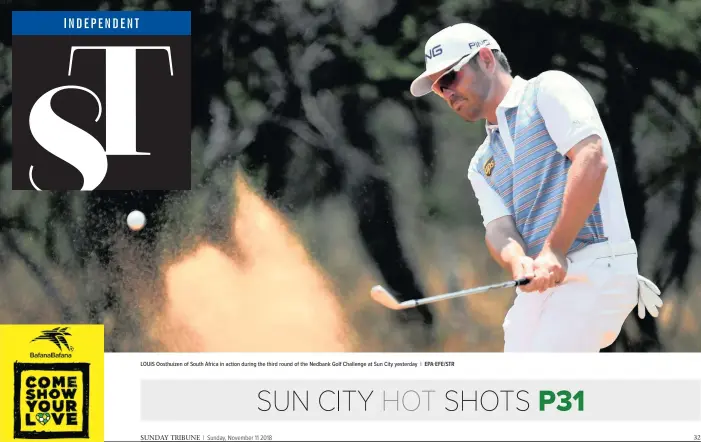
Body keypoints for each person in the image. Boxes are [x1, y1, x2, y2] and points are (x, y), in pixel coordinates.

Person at [408, 23, 664, 352]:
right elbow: (499, 229)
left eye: (449, 78)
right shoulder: (481, 162)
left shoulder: (549, 90)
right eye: (438, 88)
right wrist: (518, 260)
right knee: (517, 390)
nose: (446, 93)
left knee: (539, 386)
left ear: (485, 58)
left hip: (598, 267)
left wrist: (554, 249)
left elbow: (591, 158)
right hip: (547, 284)